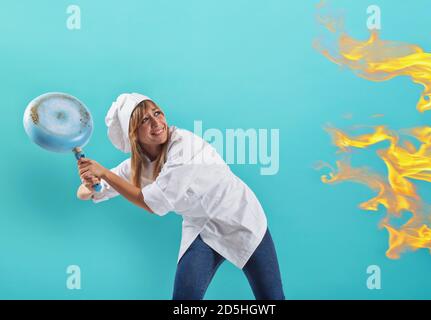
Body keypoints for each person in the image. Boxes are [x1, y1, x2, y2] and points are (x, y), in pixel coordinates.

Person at [77, 93, 285, 300]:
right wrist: (91, 183)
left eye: (157, 113)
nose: (157, 122)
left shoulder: (186, 146)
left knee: (272, 300)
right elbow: (86, 192)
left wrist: (104, 173)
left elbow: (153, 204)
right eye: (145, 119)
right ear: (132, 133)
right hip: (201, 228)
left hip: (240, 218)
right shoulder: (135, 166)